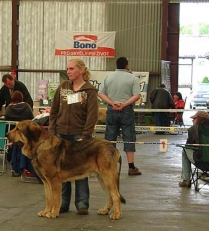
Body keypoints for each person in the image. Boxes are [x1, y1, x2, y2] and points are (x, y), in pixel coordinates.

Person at [50, 58, 99, 215]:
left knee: (81, 170)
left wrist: (85, 135)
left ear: (81, 70)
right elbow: (54, 110)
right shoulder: (63, 87)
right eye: (67, 69)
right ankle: (63, 203)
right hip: (60, 134)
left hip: (80, 135)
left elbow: (92, 116)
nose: (68, 71)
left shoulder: (90, 91)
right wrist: (52, 131)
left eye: (71, 68)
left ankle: (82, 203)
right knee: (60, 170)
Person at [98, 57, 142, 176]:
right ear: (127, 66)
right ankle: (131, 167)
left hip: (112, 110)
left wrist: (112, 103)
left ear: (117, 65)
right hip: (126, 111)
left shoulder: (108, 77)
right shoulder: (132, 78)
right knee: (129, 137)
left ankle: (109, 166)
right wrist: (123, 104)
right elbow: (137, 95)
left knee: (110, 139)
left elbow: (100, 93)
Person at [179, 111, 209, 188]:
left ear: (199, 119)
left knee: (185, 150)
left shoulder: (193, 129)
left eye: (194, 118)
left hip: (201, 161)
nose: (192, 120)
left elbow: (188, 145)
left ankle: (186, 180)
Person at [5, 91, 35, 177]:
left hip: (13, 134)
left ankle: (15, 167)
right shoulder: (26, 106)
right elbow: (32, 119)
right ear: (22, 97)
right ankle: (25, 167)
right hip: (25, 134)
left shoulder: (9, 108)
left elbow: (6, 120)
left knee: (15, 146)